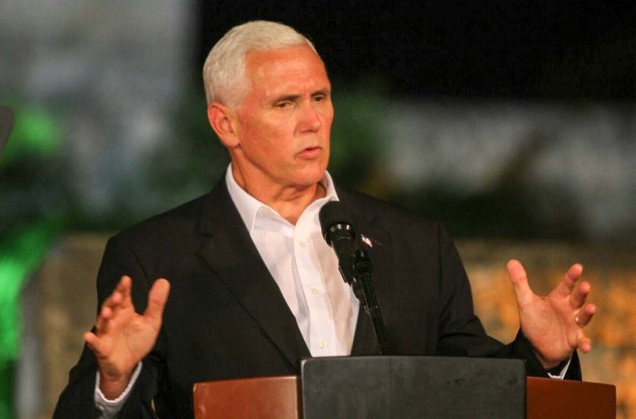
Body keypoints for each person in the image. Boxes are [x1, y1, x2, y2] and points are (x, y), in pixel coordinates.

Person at [53, 20, 596, 418]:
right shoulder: (155, 257)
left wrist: (543, 358)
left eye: (320, 97)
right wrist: (115, 382)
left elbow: (476, 392)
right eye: (285, 104)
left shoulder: (415, 244)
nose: (313, 120)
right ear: (226, 124)